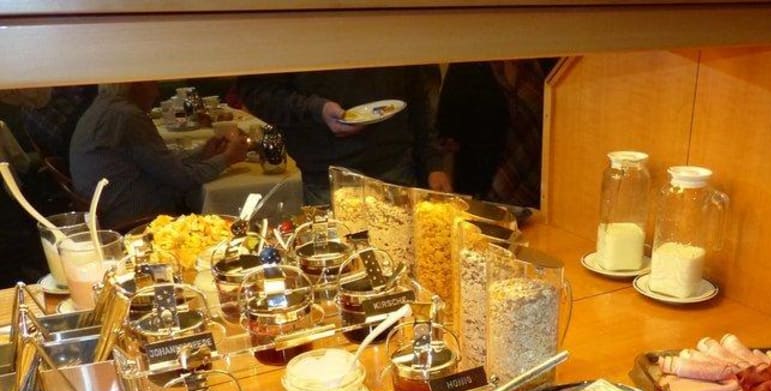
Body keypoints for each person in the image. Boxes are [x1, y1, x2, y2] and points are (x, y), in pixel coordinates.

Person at [236, 66, 451, 205]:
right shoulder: (288, 22)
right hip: (325, 177)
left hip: (396, 167)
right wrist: (316, 109)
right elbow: (256, 93)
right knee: (340, 261)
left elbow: (417, 99)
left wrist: (433, 163)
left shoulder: (392, 19)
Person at [69, 81, 247, 230]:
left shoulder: (101, 108)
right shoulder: (127, 116)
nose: (157, 92)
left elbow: (158, 161)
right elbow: (181, 178)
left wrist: (202, 153)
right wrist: (227, 159)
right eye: (153, 84)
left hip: (105, 210)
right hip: (132, 219)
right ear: (135, 85)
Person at [437, 59, 553, 208]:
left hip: (542, 187)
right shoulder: (467, 64)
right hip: (480, 191)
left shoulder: (548, 61)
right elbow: (448, 136)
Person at [21, 85, 97, 161]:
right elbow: (68, 144)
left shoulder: (61, 87)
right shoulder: (30, 118)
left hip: (88, 132)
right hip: (83, 151)